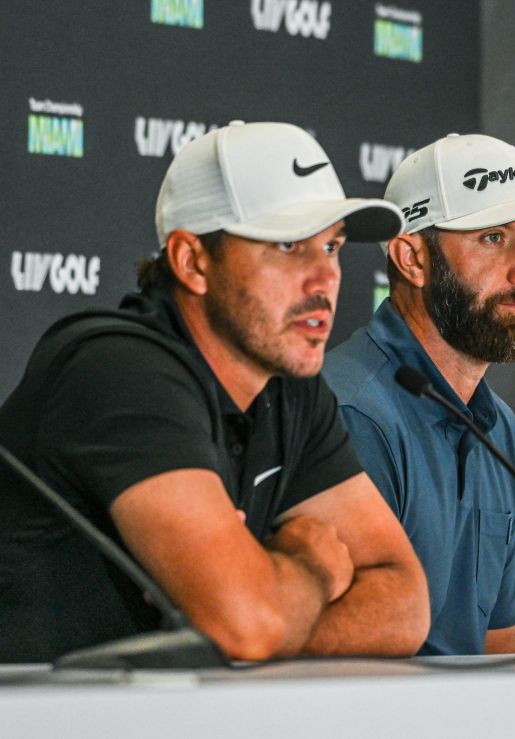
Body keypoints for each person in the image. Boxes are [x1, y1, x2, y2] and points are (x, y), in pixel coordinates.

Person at [0, 121, 430, 663]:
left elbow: (406, 603)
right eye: (288, 245)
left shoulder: (290, 388)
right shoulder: (118, 370)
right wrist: (313, 565)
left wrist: (264, 610)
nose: (324, 279)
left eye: (333, 247)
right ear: (191, 261)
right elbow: (246, 625)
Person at [324, 133, 515, 654]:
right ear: (412, 258)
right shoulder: (351, 413)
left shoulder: (500, 427)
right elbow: (342, 672)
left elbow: (497, 645)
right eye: (493, 238)